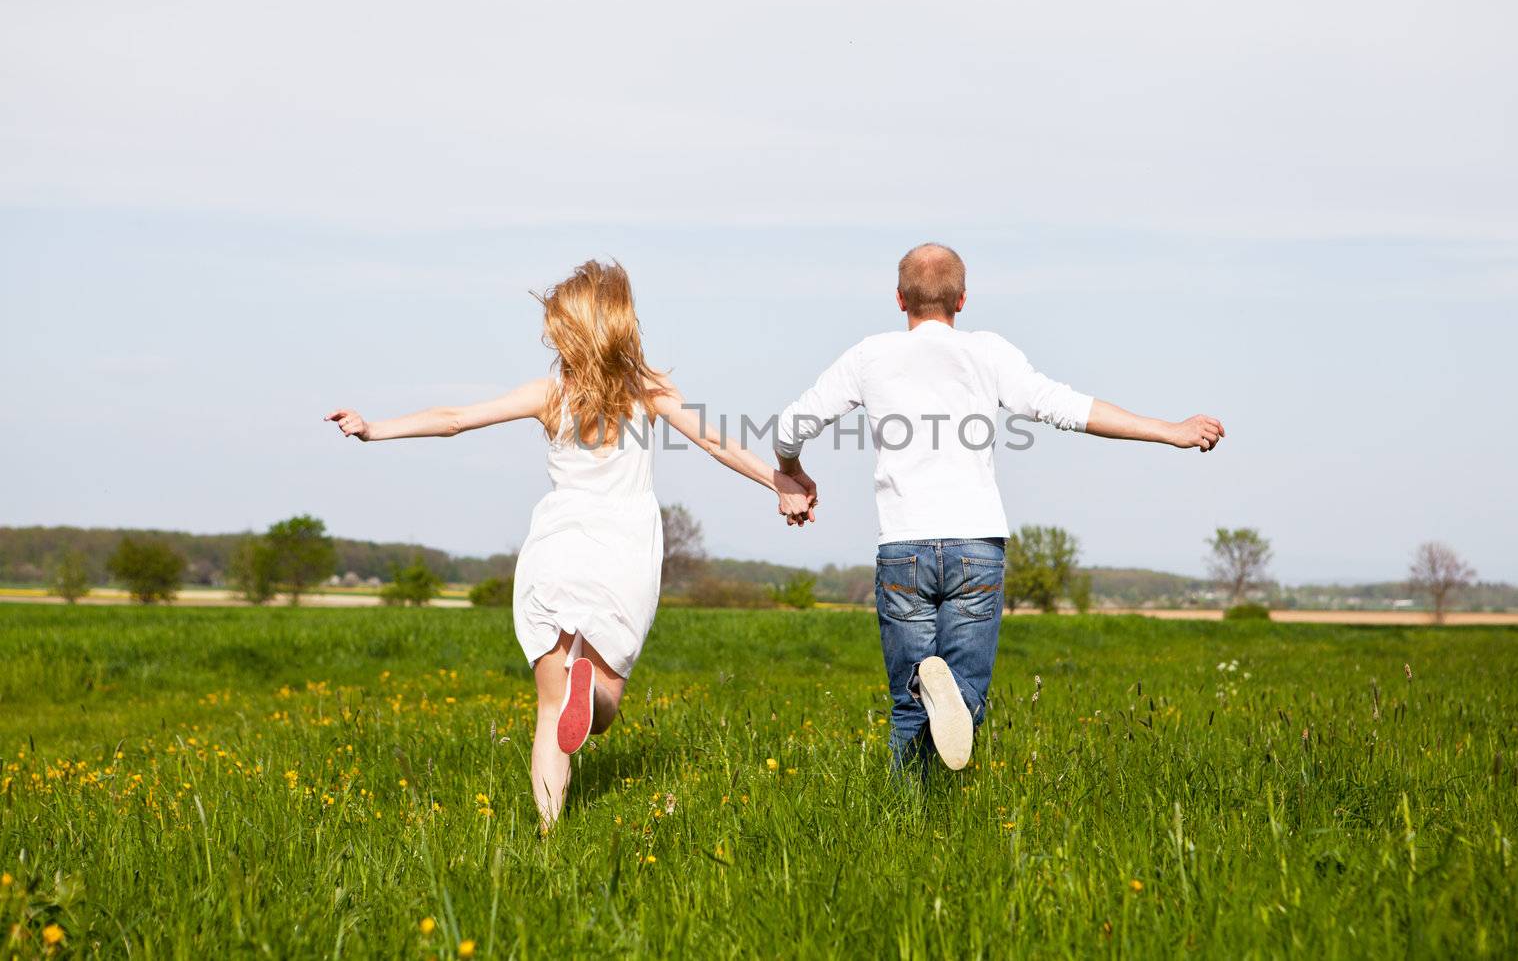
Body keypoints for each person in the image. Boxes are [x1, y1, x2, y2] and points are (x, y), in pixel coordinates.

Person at [327, 259, 815, 826]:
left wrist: (373, 428)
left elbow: (455, 418)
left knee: (549, 706)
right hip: (622, 554)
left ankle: (547, 836)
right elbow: (716, 443)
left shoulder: (548, 394)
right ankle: (594, 697)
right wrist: (779, 481)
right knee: (601, 704)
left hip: (555, 551)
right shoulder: (649, 393)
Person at [774, 243, 1223, 772]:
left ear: (899, 300)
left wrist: (792, 471)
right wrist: (1170, 431)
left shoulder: (870, 356)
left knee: (907, 708)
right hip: (975, 548)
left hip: (903, 550)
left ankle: (908, 805)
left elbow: (790, 426)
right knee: (965, 703)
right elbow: (1068, 408)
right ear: (962, 300)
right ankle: (951, 699)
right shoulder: (988, 353)